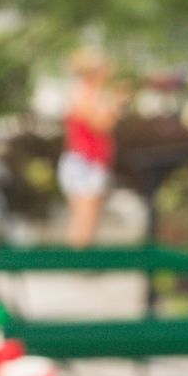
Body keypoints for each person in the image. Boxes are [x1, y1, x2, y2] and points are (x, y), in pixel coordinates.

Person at [60, 47, 121, 249]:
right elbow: (101, 123)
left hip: (93, 161)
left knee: (89, 214)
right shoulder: (82, 94)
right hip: (83, 161)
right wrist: (114, 106)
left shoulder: (95, 94)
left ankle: (82, 260)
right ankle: (78, 261)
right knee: (83, 215)